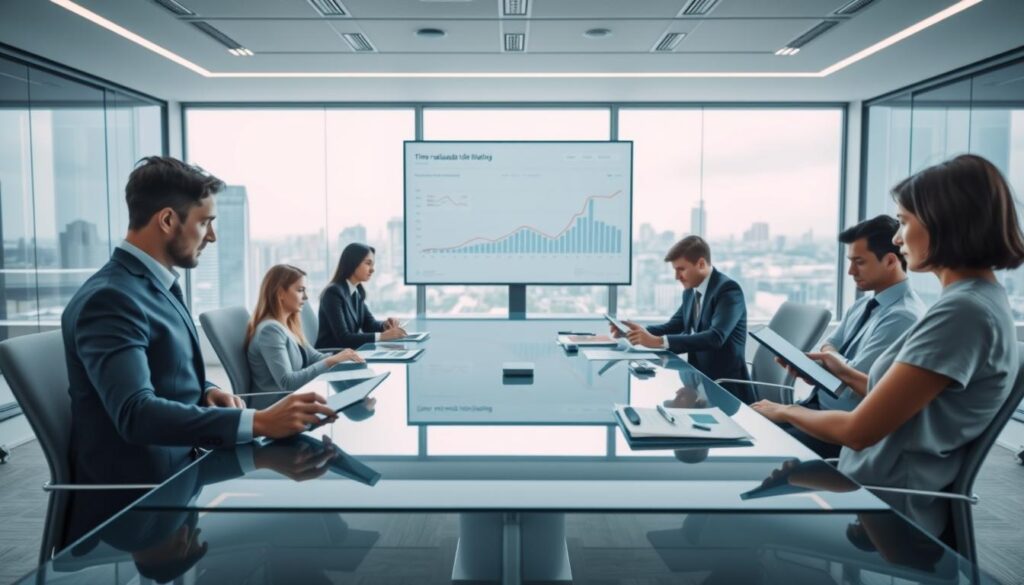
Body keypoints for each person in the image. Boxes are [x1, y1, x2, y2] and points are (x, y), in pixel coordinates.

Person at [752, 154, 1024, 538]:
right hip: (867, 486)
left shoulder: (962, 313)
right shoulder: (974, 301)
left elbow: (858, 431)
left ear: (944, 223)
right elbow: (900, 400)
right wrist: (842, 371)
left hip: (882, 507)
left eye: (904, 222)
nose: (897, 238)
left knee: (736, 504)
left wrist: (784, 411)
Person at [62, 156, 339, 493]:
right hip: (143, 497)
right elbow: (135, 414)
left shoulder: (154, 287)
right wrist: (260, 421)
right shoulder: (110, 299)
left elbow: (162, 368)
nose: (212, 236)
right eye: (205, 222)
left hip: (185, 467)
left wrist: (205, 390)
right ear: (167, 220)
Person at [782, 215, 925, 458]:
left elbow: (855, 385)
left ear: (890, 261)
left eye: (859, 262)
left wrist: (834, 363)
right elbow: (828, 346)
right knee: (754, 430)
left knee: (760, 448)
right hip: (817, 408)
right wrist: (828, 366)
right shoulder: (863, 304)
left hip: (841, 431)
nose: (850, 271)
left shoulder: (903, 317)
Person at [612, 236, 752, 403]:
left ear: (701, 264)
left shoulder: (728, 290)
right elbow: (674, 325)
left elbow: (716, 337)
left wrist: (657, 342)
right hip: (698, 381)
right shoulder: (691, 292)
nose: (676, 277)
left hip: (726, 389)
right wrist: (634, 332)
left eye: (681, 269)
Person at [246, 264, 364, 408]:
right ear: (280, 293)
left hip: (294, 399)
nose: (306, 297)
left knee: (350, 400)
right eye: (300, 290)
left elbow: (314, 357)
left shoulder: (288, 325)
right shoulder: (270, 331)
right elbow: (287, 383)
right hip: (274, 407)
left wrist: (344, 357)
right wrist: (331, 361)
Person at [316, 243, 407, 349]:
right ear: (352, 263)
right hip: (331, 354)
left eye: (372, 265)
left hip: (349, 353)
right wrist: (383, 336)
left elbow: (369, 325)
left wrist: (385, 325)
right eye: (368, 263)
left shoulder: (356, 291)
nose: (372, 270)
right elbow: (344, 338)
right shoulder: (333, 293)